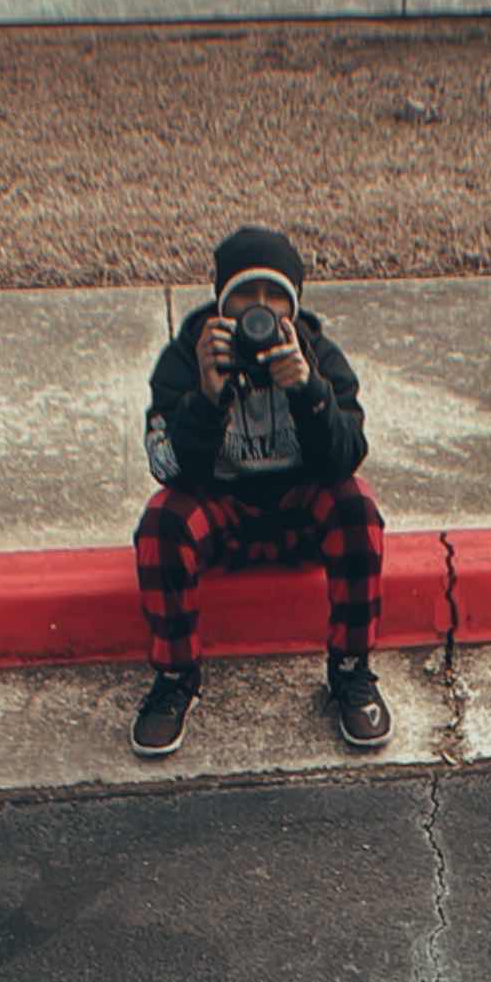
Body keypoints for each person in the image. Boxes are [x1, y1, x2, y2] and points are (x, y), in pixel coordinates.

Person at [131, 226, 392, 757]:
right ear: (221, 303)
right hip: (224, 511)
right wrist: (206, 398)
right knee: (162, 522)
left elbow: (346, 458)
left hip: (298, 513)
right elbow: (166, 467)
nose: (261, 309)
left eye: (275, 296)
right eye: (245, 295)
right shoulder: (186, 359)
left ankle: (351, 670)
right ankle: (176, 677)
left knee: (357, 508)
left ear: (293, 307)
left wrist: (308, 390)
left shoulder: (318, 355)